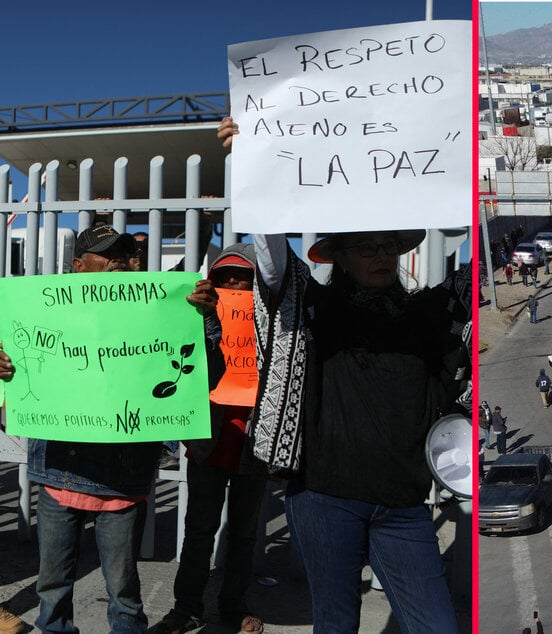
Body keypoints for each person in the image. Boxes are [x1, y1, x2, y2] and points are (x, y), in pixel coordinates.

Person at [223, 114, 470, 634]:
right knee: (335, 624)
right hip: (323, 497)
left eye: (388, 246)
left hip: (404, 504)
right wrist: (248, 163)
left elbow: (476, 271)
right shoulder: (314, 307)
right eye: (366, 246)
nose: (380, 256)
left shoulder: (426, 313)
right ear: (339, 256)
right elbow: (270, 259)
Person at [0, 225, 223, 633]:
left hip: (122, 483)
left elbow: (205, 378)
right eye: (106, 253)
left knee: (123, 589)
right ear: (78, 266)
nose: (119, 259)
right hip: (58, 477)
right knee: (52, 587)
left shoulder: (161, 310)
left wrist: (205, 322)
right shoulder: (45, 312)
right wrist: (6, 370)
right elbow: (19, 367)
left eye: (123, 252)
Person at [154, 244, 267, 634]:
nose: (235, 283)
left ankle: (233, 607)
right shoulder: (197, 318)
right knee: (199, 531)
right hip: (208, 442)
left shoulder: (274, 321)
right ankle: (186, 608)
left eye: (244, 277)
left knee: (244, 532)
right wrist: (192, 313)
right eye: (226, 277)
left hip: (256, 443)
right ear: (212, 281)